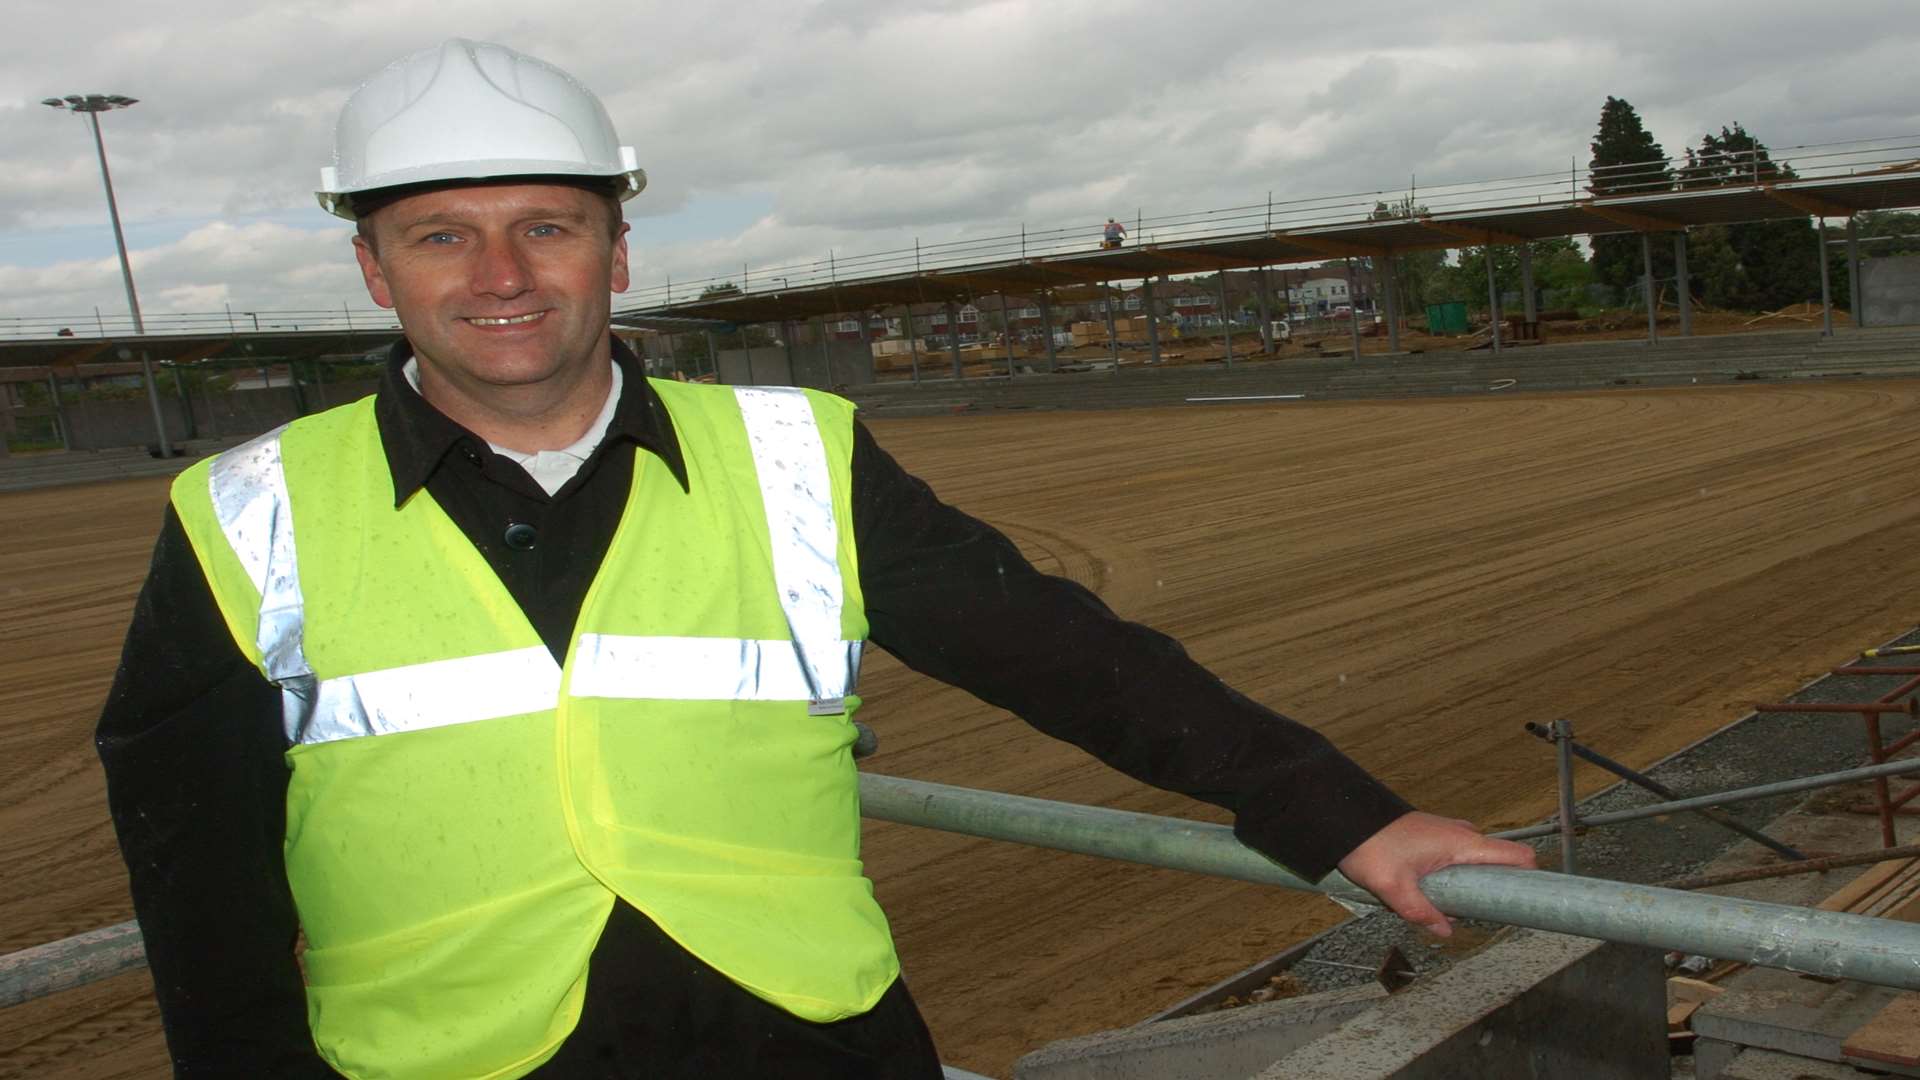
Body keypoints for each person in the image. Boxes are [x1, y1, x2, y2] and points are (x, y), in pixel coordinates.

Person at [96, 39, 1533, 1080]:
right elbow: (197, 877)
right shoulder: (248, 511)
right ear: (373, 268)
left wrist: (1345, 816)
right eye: (439, 236)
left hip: (810, 1048)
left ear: (618, 251)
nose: (500, 277)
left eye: (548, 226)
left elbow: (1064, 655)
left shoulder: (795, 457)